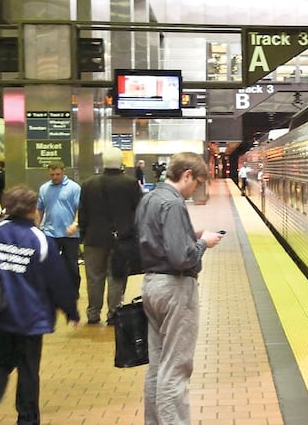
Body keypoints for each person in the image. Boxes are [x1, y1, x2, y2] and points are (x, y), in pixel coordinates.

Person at [135, 152, 224, 424]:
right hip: (174, 287)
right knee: (176, 367)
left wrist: (189, 237)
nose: (196, 189)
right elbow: (181, 258)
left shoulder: (149, 197)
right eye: (196, 182)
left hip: (152, 284)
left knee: (158, 364)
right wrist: (203, 243)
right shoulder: (173, 204)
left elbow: (156, 239)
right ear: (186, 175)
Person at [0, 185, 80, 424]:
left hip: (0, 316)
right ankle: (27, 419)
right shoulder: (39, 240)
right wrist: (71, 310)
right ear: (33, 210)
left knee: (0, 365)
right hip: (29, 319)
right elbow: (57, 280)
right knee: (28, 371)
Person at [79, 148, 143, 325]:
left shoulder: (88, 184)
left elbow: (83, 214)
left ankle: (93, 314)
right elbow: (138, 212)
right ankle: (114, 314)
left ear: (103, 162)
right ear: (120, 162)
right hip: (121, 239)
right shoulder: (130, 184)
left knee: (94, 278)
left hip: (93, 239)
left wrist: (82, 237)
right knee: (116, 276)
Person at [36, 161, 81, 296]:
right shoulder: (44, 188)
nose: (55, 177)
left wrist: (75, 224)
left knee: (71, 265)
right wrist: (36, 228)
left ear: (64, 172)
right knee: (50, 264)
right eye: (52, 174)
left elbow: (80, 209)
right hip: (50, 232)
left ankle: (73, 291)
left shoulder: (74, 188)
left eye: (58, 174)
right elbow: (39, 209)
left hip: (70, 234)